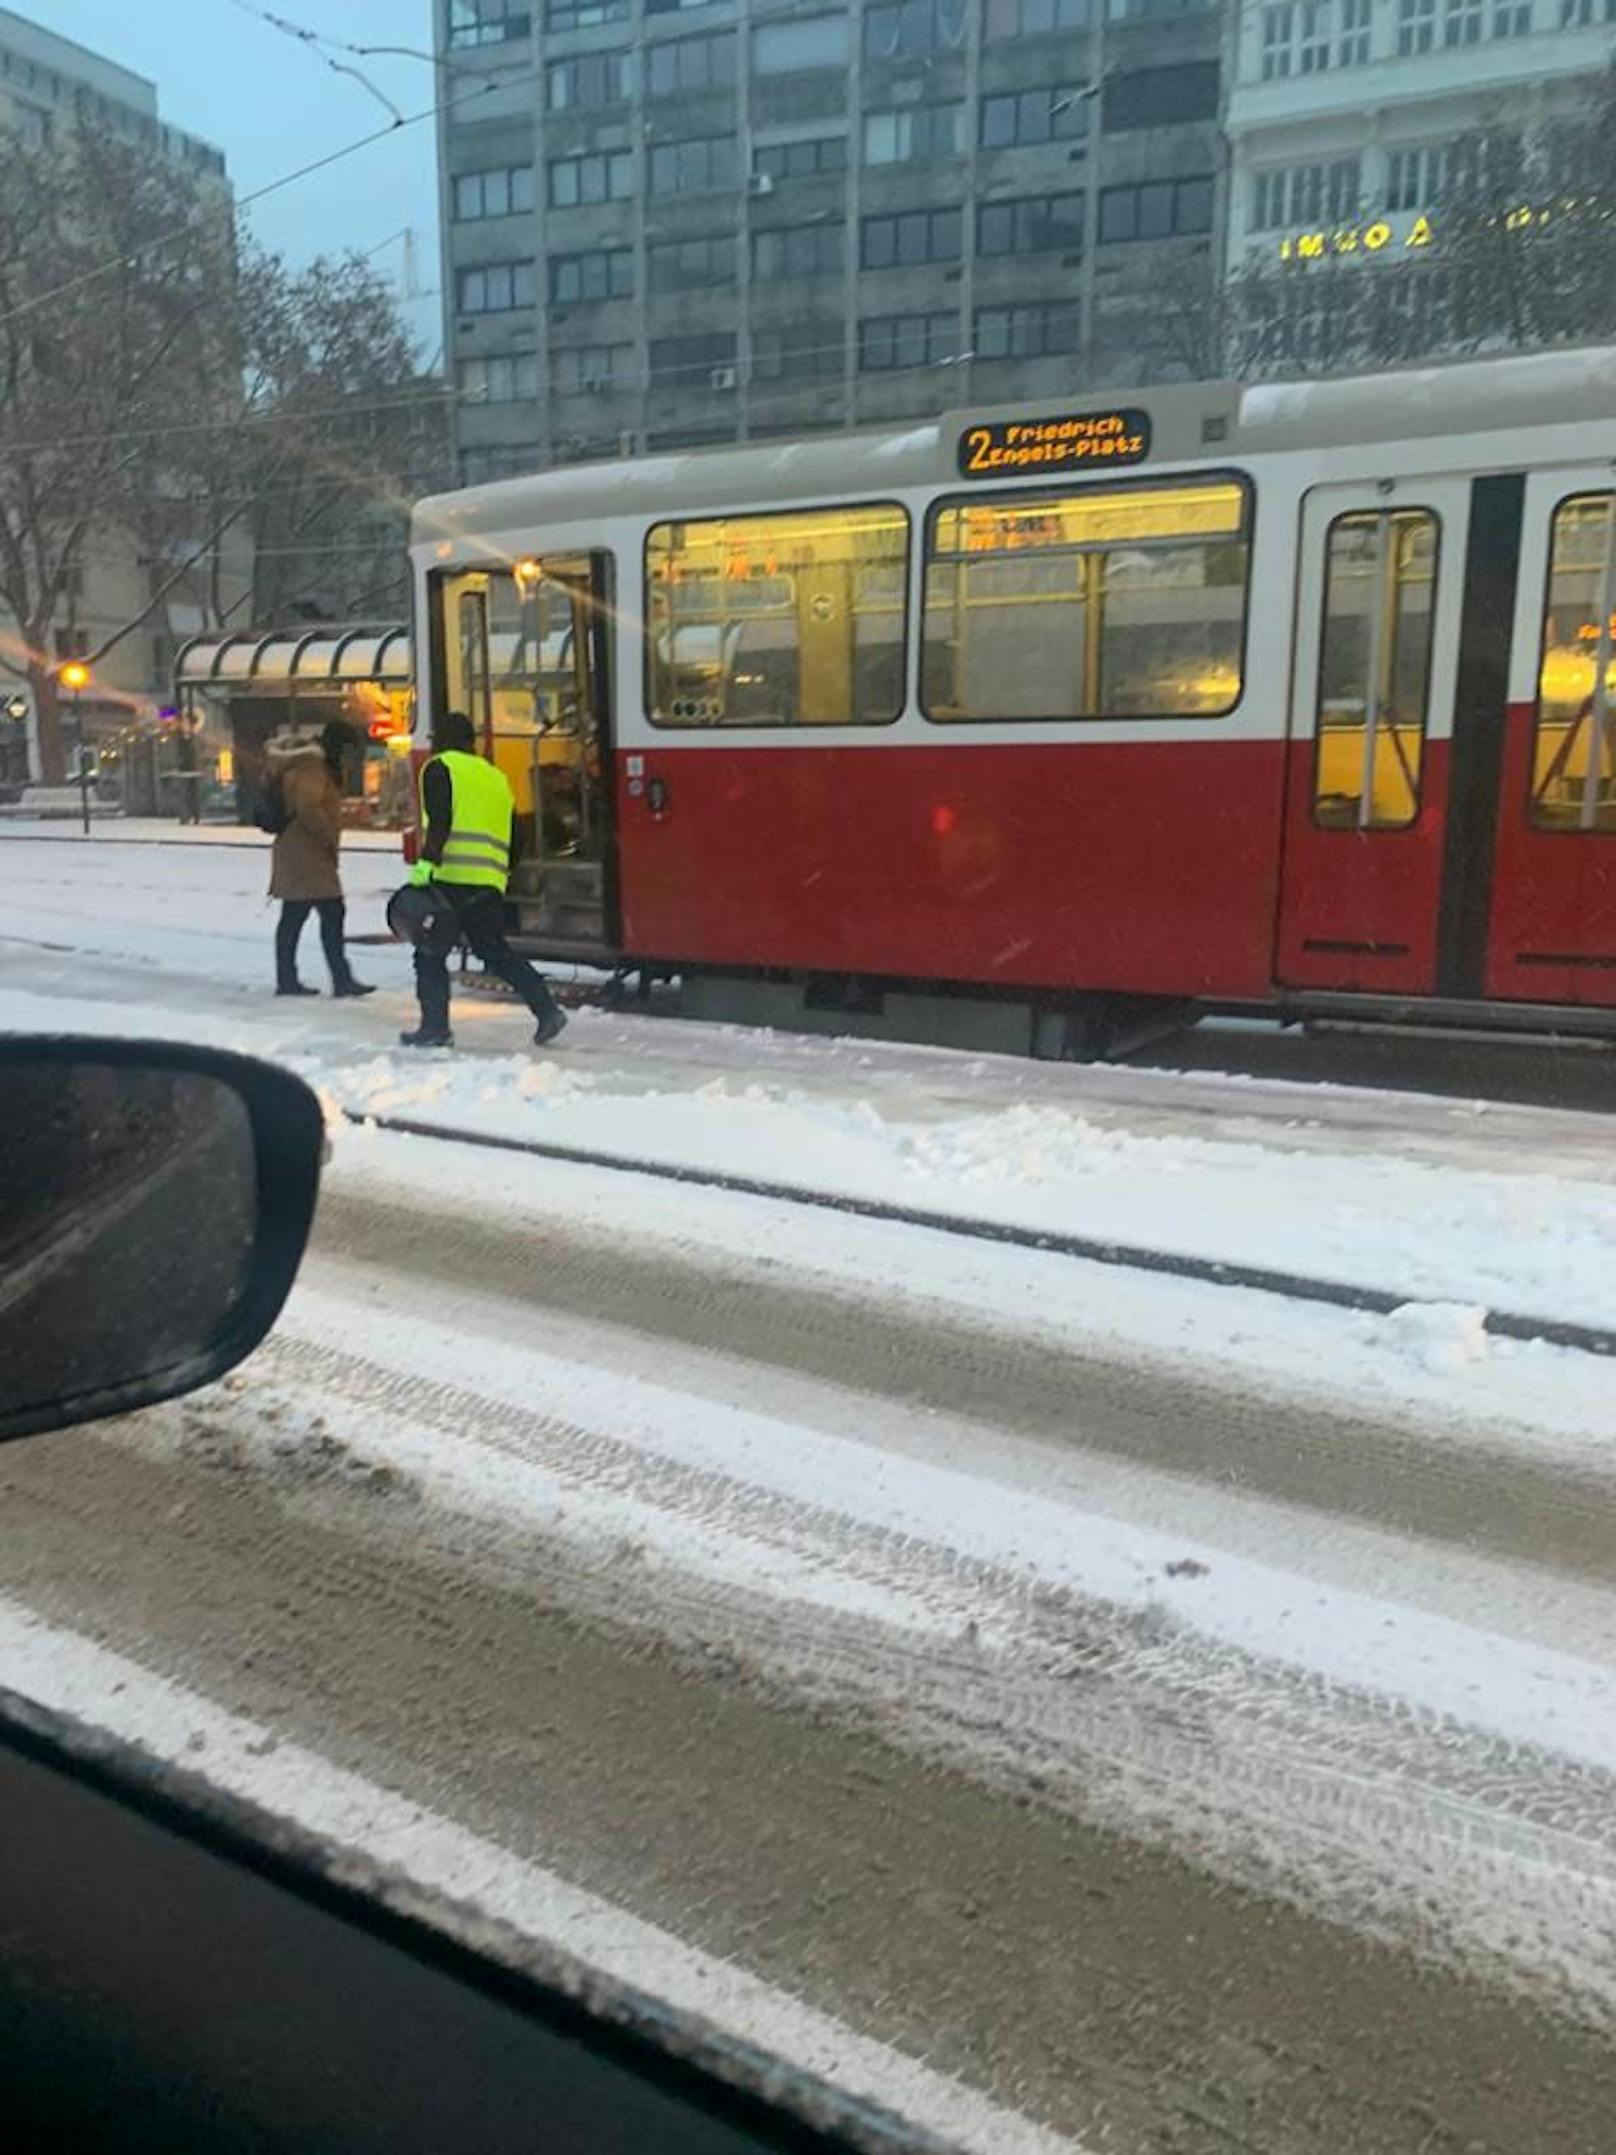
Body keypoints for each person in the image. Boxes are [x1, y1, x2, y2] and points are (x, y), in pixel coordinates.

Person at [400, 709, 567, 1050]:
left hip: (451, 879)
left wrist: (425, 865)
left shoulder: (440, 768)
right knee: (495, 951)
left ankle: (435, 1028)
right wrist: (503, 871)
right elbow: (516, 833)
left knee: (429, 953)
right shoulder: (494, 776)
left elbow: (441, 821)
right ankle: (547, 1009)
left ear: (443, 741)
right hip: (489, 881)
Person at [269, 720, 373, 999]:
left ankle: (289, 979)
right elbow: (307, 806)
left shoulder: (309, 767)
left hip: (299, 853)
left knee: (295, 917)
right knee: (330, 913)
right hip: (307, 854)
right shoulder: (313, 770)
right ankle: (339, 979)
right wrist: (328, 836)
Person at [172, 714, 202, 825]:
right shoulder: (185, 738)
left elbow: (193, 754)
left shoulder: (194, 737)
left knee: (190, 794)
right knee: (187, 795)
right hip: (187, 771)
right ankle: (188, 816)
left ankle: (192, 816)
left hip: (191, 771)